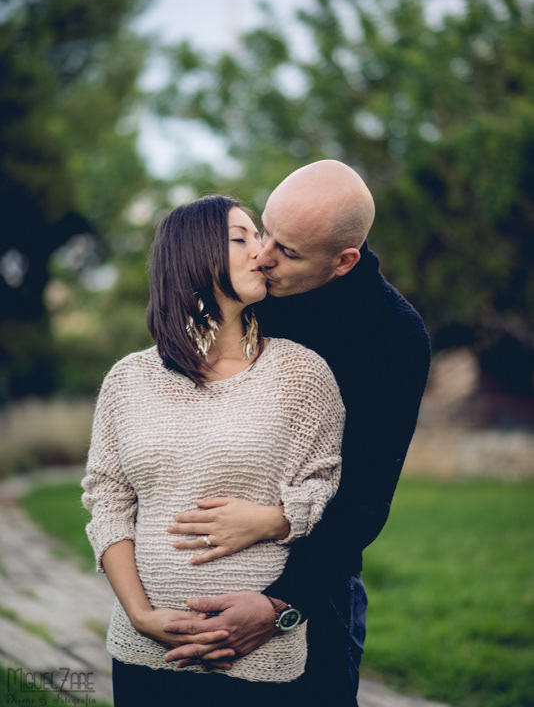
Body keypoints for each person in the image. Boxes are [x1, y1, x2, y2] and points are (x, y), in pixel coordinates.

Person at [161, 161, 431, 705]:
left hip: (312, 589)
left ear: (344, 261)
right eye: (265, 232)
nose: (263, 258)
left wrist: (281, 604)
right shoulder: (250, 296)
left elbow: (362, 500)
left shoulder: (392, 338)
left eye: (287, 251)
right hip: (194, 578)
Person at [81, 194, 345, 707]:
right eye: (241, 238)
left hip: (260, 655)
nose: (262, 252)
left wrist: (277, 519)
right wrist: (141, 615)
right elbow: (108, 502)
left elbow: (326, 489)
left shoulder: (302, 374)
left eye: (262, 236)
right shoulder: (128, 380)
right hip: (146, 653)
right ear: (191, 255)